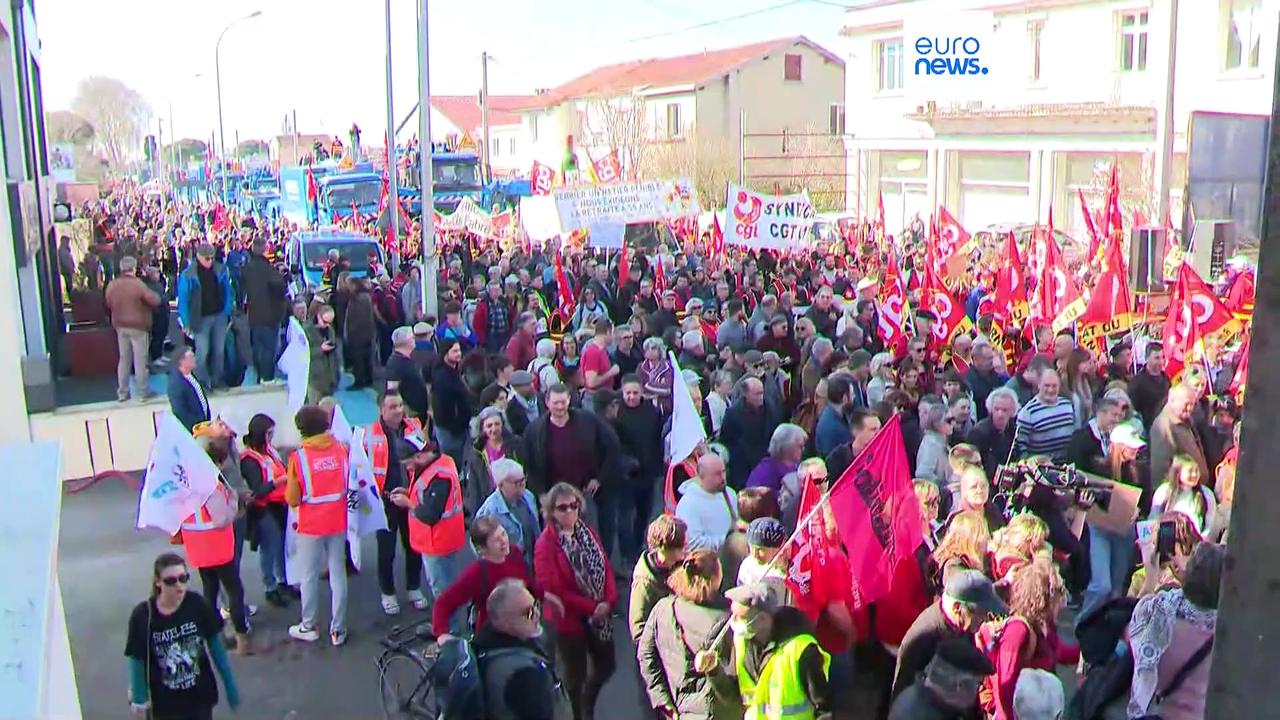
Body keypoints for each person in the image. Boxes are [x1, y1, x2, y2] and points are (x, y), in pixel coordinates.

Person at [534, 482, 618, 720]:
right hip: (569, 622)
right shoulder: (545, 545)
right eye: (562, 508)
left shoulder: (587, 532)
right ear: (551, 512)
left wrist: (609, 600)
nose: (569, 511)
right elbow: (554, 590)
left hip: (599, 616)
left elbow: (605, 567)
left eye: (574, 505)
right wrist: (593, 608)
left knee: (606, 665)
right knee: (575, 677)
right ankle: (580, 714)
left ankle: (587, 701)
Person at [126, 553, 240, 720]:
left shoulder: (197, 604)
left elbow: (216, 648)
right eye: (170, 581)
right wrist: (139, 700)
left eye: (183, 578)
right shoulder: (143, 616)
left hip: (199, 698)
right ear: (158, 582)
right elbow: (137, 660)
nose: (179, 586)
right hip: (165, 705)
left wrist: (230, 686)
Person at [1127, 543, 1225, 720]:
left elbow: (1134, 624)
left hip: (1158, 714)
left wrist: (1151, 578)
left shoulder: (1160, 613)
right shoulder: (1229, 634)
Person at [637, 549, 739, 720]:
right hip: (709, 713)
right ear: (714, 579)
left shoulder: (662, 608)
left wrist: (663, 700)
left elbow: (646, 655)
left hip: (675, 709)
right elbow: (729, 691)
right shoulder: (724, 623)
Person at [521, 383, 622, 546]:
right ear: (547, 402)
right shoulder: (534, 431)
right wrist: (540, 493)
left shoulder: (588, 421)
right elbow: (529, 464)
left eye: (563, 402)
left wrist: (599, 478)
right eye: (556, 403)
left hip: (584, 493)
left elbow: (611, 446)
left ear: (569, 400)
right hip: (552, 496)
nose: (560, 407)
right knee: (558, 541)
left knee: (589, 537)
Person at [284, 405, 351, 646]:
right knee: (338, 574)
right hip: (338, 519)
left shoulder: (298, 457)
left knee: (309, 576)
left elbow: (292, 498)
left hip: (310, 524)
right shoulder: (341, 450)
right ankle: (338, 628)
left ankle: (308, 624)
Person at [976, 562, 1079, 720]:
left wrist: (1088, 651)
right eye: (1059, 595)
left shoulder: (1046, 624)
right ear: (1045, 599)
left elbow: (1059, 652)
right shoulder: (1018, 631)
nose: (1062, 603)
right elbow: (1005, 687)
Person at [717, 581, 833, 720]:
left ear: (762, 619)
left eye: (740, 617)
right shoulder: (741, 642)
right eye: (732, 615)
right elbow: (731, 696)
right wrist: (713, 671)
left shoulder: (801, 650)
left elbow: (824, 709)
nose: (733, 622)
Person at [180, 434, 253, 655]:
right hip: (219, 547)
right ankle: (242, 640)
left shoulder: (186, 485)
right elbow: (221, 518)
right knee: (234, 591)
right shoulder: (212, 487)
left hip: (198, 548)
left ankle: (215, 637)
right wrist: (234, 502)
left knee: (209, 592)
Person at [432, 516, 560, 639]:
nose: (504, 541)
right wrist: (442, 634)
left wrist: (547, 596)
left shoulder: (514, 553)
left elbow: (528, 582)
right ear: (482, 549)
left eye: (503, 534)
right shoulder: (476, 574)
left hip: (523, 625)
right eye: (496, 540)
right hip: (496, 636)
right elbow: (443, 603)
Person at [891, 568, 1007, 701]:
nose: (984, 619)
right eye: (980, 613)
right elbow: (902, 693)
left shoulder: (961, 619)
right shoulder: (922, 638)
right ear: (957, 608)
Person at [364, 391, 429, 615]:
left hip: (410, 495)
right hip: (385, 500)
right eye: (392, 406)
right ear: (381, 410)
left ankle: (413, 587)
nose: (398, 410)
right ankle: (388, 592)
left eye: (400, 405)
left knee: (414, 546)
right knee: (386, 550)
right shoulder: (369, 434)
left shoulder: (414, 427)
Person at [472, 578, 575, 720]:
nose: (537, 615)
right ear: (505, 622)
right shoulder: (525, 675)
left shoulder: (486, 645)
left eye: (536, 606)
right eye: (528, 613)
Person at [239, 414, 290, 609]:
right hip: (264, 508)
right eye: (269, 433)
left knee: (281, 545)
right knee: (270, 548)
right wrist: (280, 481)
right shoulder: (249, 459)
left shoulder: (269, 451)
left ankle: (282, 580)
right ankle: (270, 587)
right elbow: (257, 490)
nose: (271, 437)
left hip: (280, 504)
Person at [613, 374, 666, 564]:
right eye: (628, 393)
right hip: (626, 476)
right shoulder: (617, 412)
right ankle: (627, 554)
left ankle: (637, 545)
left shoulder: (652, 412)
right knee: (625, 516)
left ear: (642, 392)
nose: (631, 397)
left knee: (644, 513)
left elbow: (657, 439)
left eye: (635, 393)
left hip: (648, 473)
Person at [887, 637, 995, 720]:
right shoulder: (925, 714)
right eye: (978, 684)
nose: (979, 691)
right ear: (961, 685)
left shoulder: (915, 696)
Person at [177, 244, 235, 389]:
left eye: (212, 258)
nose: (210, 261)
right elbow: (183, 300)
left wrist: (227, 310)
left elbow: (229, 291)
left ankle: (217, 380)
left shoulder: (221, 270)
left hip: (219, 316)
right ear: (198, 257)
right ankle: (201, 381)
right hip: (200, 318)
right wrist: (186, 322)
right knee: (202, 351)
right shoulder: (188, 274)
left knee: (219, 350)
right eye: (207, 258)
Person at [106, 255, 162, 401]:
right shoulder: (138, 285)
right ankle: (143, 392)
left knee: (124, 359)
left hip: (120, 326)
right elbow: (154, 300)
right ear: (133, 268)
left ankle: (122, 393)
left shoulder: (112, 285)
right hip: (138, 326)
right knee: (140, 360)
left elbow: (107, 302)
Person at [628, 515, 689, 642]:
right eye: (682, 546)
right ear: (665, 548)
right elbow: (638, 630)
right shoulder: (644, 583)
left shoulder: (680, 564)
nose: (687, 549)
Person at [477, 458, 542, 571]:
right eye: (516, 482)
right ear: (501, 484)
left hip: (533, 563)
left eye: (523, 480)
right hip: (508, 567)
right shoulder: (491, 510)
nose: (522, 485)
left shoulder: (529, 497)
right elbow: (477, 543)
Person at [241, 239, 287, 383]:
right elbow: (280, 289)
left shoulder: (247, 268)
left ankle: (259, 374)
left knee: (257, 346)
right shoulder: (268, 270)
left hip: (253, 314)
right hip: (269, 314)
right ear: (265, 250)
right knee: (268, 348)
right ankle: (267, 378)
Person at [720, 377, 778, 490]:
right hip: (743, 468)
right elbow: (726, 441)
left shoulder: (770, 408)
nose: (761, 397)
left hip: (766, 462)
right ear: (746, 394)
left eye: (762, 393)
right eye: (757, 394)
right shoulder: (733, 415)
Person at [1149, 384, 1211, 488]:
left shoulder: (1185, 420)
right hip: (1179, 494)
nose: (1190, 408)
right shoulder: (1164, 426)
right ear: (1172, 401)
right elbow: (1161, 468)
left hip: (1195, 489)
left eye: (1192, 404)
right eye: (1186, 404)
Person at [676, 453, 740, 552]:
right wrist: (729, 541)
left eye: (723, 472)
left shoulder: (730, 493)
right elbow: (693, 544)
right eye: (717, 474)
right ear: (701, 476)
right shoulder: (688, 504)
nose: (723, 478)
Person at [1012, 369, 1077, 461]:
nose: (1050, 390)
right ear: (1039, 385)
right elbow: (1020, 448)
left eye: (1054, 386)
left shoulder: (1068, 405)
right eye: (1047, 386)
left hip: (1067, 466)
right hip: (1041, 469)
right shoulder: (1028, 412)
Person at [1149, 454, 1218, 540]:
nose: (1194, 474)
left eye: (1196, 471)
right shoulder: (1163, 491)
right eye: (1190, 471)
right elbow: (1152, 519)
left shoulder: (1206, 494)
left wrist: (1200, 542)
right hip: (1166, 540)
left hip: (1195, 543)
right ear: (1178, 473)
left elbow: (1210, 526)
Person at [746, 423, 807, 516]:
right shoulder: (763, 472)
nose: (803, 449)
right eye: (800, 446)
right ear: (786, 446)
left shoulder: (800, 467)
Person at [432, 338, 474, 467]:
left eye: (459, 350)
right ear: (445, 353)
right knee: (452, 462)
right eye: (455, 351)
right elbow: (442, 407)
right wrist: (456, 425)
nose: (459, 354)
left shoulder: (454, 370)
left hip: (458, 427)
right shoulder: (443, 377)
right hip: (450, 430)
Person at [825, 407, 882, 480]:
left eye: (880, 428)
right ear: (856, 431)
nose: (879, 433)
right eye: (873, 430)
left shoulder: (883, 454)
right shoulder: (838, 458)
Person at [1128, 342, 1170, 434]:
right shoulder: (1137, 382)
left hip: (1168, 425)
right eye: (1157, 358)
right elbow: (1133, 408)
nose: (1161, 362)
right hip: (1150, 429)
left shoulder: (1166, 378)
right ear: (1147, 359)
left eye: (1162, 357)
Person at [915, 396, 954, 494]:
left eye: (953, 419)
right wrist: (944, 486)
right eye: (948, 421)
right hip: (935, 497)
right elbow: (922, 473)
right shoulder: (931, 444)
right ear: (936, 423)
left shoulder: (940, 441)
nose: (952, 424)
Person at [167, 347, 211, 432]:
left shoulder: (191, 375)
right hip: (194, 429)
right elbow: (179, 411)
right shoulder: (176, 383)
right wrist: (195, 428)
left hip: (203, 424)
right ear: (182, 361)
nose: (194, 359)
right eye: (191, 357)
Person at [304, 305, 340, 403]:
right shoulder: (306, 331)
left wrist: (336, 376)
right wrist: (320, 349)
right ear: (318, 316)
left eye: (330, 322)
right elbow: (303, 354)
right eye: (325, 322)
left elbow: (335, 356)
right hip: (315, 380)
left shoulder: (330, 330)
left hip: (330, 380)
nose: (327, 325)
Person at [964, 343, 1008, 421]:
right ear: (975, 359)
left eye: (992, 358)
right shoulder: (967, 381)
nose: (991, 361)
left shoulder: (997, 377)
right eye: (988, 358)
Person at [813, 375, 852, 458]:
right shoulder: (831, 426)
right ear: (845, 398)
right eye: (852, 394)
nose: (854, 396)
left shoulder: (838, 415)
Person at [505, 370, 545, 437]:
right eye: (527, 385)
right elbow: (517, 431)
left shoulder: (541, 397)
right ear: (516, 388)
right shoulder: (512, 407)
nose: (532, 386)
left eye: (531, 383)